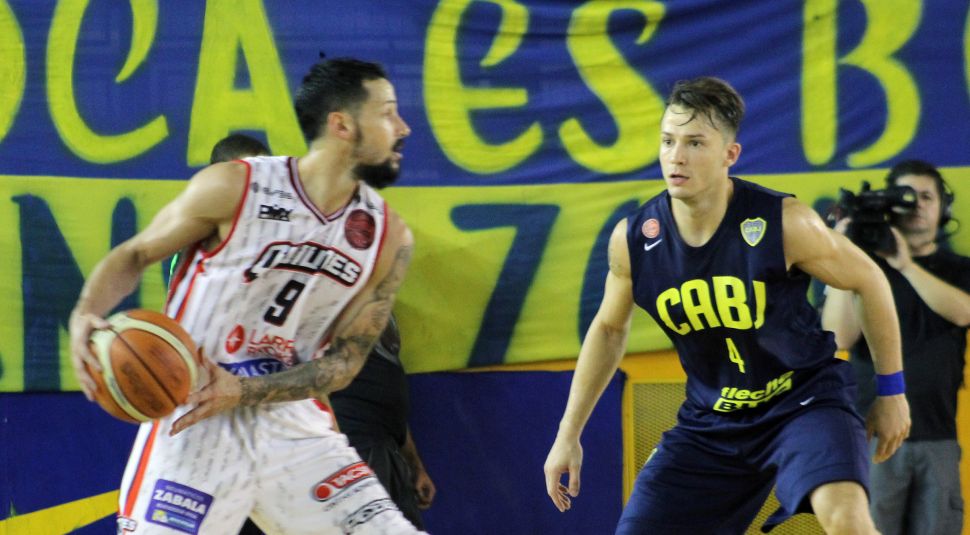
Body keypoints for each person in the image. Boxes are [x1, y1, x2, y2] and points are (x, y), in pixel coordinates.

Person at [70, 56, 424, 534]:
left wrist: (242, 391)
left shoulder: (387, 239)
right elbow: (134, 255)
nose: (402, 128)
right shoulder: (236, 187)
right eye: (387, 113)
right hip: (194, 421)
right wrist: (86, 312)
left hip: (293, 428)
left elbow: (345, 364)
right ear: (342, 125)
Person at [543, 77, 911, 534]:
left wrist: (892, 391)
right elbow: (609, 329)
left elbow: (869, 280)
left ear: (729, 155)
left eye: (695, 143)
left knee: (846, 519)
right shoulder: (635, 239)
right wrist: (568, 433)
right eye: (668, 141)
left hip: (802, 401)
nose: (676, 156)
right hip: (711, 422)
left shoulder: (785, 223)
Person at [822, 160, 970, 535]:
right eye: (906, 197)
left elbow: (964, 312)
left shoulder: (958, 268)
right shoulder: (863, 269)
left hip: (937, 436)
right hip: (871, 434)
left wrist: (904, 265)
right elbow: (837, 337)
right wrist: (843, 254)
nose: (917, 205)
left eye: (926, 197)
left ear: (944, 207)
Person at [330, 314, 436, 529]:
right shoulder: (326, 304)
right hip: (354, 444)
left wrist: (414, 464)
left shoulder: (382, 308)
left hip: (388, 448)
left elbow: (392, 404)